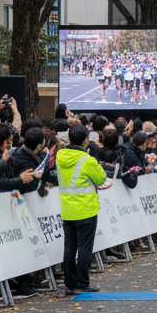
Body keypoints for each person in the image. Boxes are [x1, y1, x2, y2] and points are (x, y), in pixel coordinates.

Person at [58, 125, 108, 295]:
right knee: (84, 248)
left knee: (70, 248)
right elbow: (101, 178)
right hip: (86, 210)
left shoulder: (60, 155)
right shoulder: (87, 160)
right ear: (86, 139)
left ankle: (70, 284)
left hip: (67, 210)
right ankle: (83, 283)